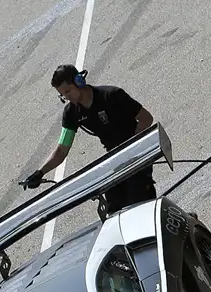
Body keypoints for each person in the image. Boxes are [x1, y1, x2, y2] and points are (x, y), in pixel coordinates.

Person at [22, 65, 156, 213]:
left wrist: (132, 147)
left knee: (138, 198)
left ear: (79, 81)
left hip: (135, 153)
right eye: (63, 95)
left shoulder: (112, 95)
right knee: (113, 206)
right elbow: (62, 149)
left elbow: (146, 118)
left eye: (68, 91)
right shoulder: (71, 113)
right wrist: (40, 173)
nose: (67, 98)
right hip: (114, 158)